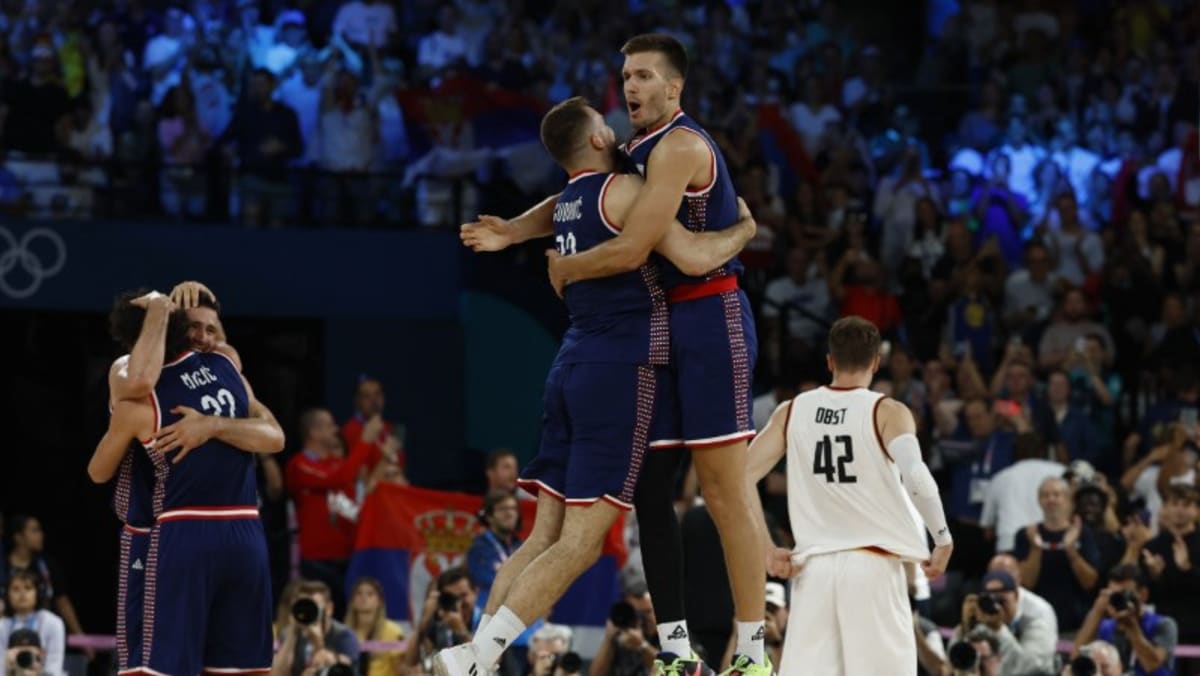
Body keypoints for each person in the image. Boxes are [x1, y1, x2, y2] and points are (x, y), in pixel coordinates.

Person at [440, 93, 756, 676]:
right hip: (620, 370)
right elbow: (690, 257)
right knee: (581, 543)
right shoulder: (628, 191)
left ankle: (472, 656)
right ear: (596, 139)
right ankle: (478, 656)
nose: (614, 128)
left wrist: (514, 230)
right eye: (604, 125)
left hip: (570, 365)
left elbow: (556, 206)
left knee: (542, 538)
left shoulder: (568, 202)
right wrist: (743, 229)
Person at [544, 34, 770, 674]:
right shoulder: (634, 148)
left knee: (723, 494)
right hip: (664, 326)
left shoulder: (677, 147)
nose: (631, 86)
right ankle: (676, 651)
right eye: (626, 76)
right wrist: (514, 228)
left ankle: (753, 652)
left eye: (644, 75)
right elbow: (580, 194)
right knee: (650, 490)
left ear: (675, 87)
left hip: (712, 318)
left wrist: (567, 267)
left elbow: (641, 250)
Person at [89, 290, 286, 675]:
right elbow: (276, 437)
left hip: (174, 529)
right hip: (245, 529)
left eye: (212, 329)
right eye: (195, 327)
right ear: (180, 328)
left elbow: (98, 472)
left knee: (160, 666)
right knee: (237, 667)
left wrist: (211, 426)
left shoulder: (136, 397)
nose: (204, 337)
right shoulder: (225, 364)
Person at [743, 316, 954, 673]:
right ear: (876, 362)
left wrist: (767, 546)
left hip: (813, 572)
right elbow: (917, 476)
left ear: (830, 361)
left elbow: (741, 478)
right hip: (873, 565)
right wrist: (942, 537)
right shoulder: (887, 411)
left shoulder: (791, 411)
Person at [287, 408, 398, 616]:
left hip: (348, 558)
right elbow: (340, 477)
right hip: (317, 563)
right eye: (330, 425)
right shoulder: (299, 465)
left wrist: (383, 460)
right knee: (319, 618)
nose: (336, 429)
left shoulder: (336, 464)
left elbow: (360, 489)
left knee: (351, 617)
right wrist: (365, 440)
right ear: (314, 432)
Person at [1014, 477, 1102, 632]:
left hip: (1075, 623)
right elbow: (1027, 582)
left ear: (1067, 499)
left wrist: (1071, 551)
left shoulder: (1084, 534)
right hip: (1037, 623)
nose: (1051, 499)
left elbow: (1090, 582)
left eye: (1056, 494)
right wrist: (1035, 548)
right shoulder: (1026, 534)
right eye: (1045, 495)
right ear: (1039, 500)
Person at [1073, 564, 1177, 676]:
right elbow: (1076, 657)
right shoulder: (1106, 627)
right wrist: (1097, 611)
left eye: (1125, 594)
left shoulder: (1163, 624)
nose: (1120, 600)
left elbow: (1151, 665)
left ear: (1143, 594)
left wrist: (1131, 626)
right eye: (1115, 596)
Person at [271, 579, 361, 676]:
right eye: (303, 605)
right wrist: (292, 634)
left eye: (312, 606)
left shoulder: (344, 635)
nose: (307, 611)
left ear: (329, 609)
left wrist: (318, 643)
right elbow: (277, 674)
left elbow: (342, 672)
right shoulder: (288, 633)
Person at [0, 572, 65, 676]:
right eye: (15, 589)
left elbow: (54, 667)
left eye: (28, 588)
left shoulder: (53, 623)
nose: (22, 593)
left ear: (37, 593)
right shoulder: (2, 625)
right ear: (7, 595)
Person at [344, 577, 404, 676]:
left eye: (370, 594)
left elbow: (401, 670)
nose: (363, 597)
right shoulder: (344, 633)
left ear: (379, 601)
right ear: (352, 601)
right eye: (359, 593)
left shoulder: (393, 631)